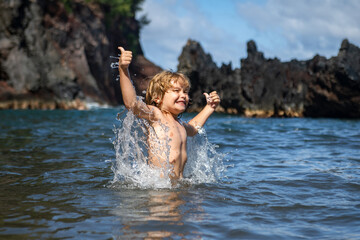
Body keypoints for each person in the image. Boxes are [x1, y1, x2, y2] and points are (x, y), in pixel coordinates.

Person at [118, 46, 220, 180]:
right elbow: (132, 104)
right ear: (158, 98)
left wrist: (210, 108)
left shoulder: (179, 124)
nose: (183, 95)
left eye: (185, 92)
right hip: (160, 190)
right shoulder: (156, 115)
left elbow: (194, 128)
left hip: (177, 188)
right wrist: (123, 70)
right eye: (176, 91)